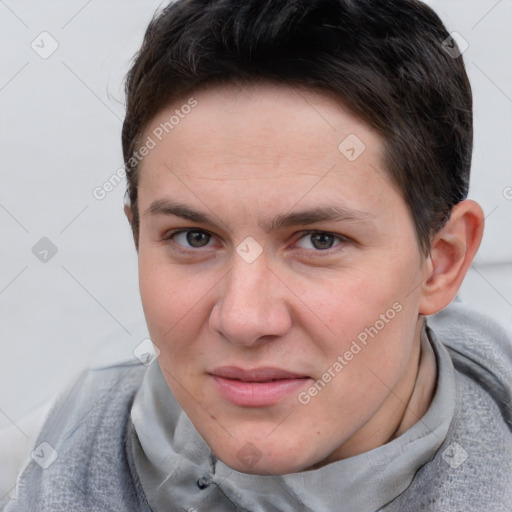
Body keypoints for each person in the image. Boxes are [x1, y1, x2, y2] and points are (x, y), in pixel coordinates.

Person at [4, 0, 512, 510]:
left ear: (441, 261)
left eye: (319, 240)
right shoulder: (34, 461)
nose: (243, 319)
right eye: (194, 237)